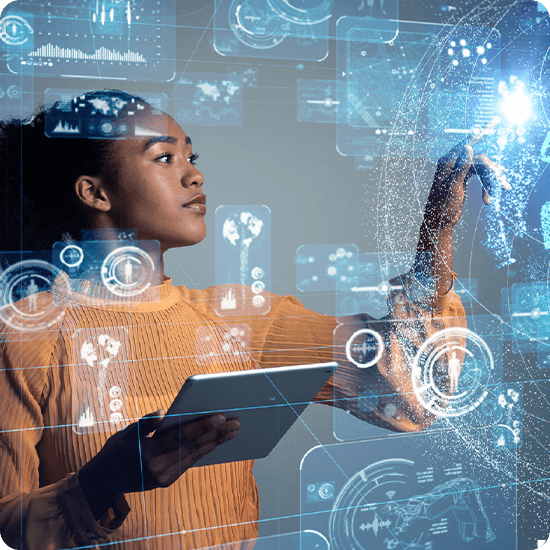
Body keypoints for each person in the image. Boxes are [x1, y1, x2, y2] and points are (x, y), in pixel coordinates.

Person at [0, 90, 505, 549]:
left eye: (191, 157)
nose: (194, 175)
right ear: (95, 193)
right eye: (164, 158)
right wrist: (100, 484)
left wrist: (436, 229)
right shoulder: (23, 337)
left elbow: (412, 392)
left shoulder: (243, 319)